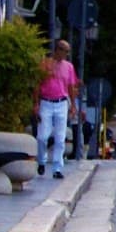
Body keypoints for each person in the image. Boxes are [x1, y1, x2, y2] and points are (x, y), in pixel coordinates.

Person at [35, 39, 80, 180]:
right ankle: (41, 160)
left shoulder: (69, 67)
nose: (66, 54)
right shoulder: (44, 64)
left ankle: (57, 168)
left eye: (67, 51)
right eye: (64, 50)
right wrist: (35, 104)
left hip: (61, 102)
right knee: (42, 137)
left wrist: (73, 105)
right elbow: (37, 85)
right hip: (46, 102)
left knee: (60, 138)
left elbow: (71, 87)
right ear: (57, 50)